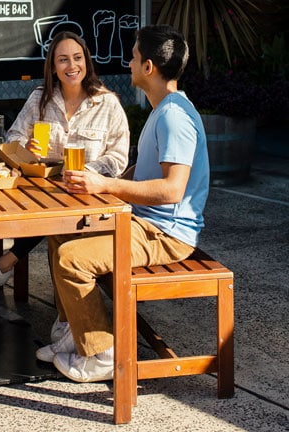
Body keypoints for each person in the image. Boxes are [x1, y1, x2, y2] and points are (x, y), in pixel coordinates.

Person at [36, 24, 209, 383]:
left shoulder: (175, 117)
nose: (128, 63)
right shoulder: (163, 109)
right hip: (145, 223)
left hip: (165, 233)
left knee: (72, 260)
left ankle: (101, 352)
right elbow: (143, 171)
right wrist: (100, 185)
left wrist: (107, 184)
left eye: (133, 57)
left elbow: (173, 190)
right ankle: (74, 334)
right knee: (61, 233)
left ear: (148, 67)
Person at [0, 30, 129, 293]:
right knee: (30, 207)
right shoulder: (40, 98)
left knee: (52, 215)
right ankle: (63, 310)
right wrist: (25, 149)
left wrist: (87, 172)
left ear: (86, 61)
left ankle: (6, 264)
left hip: (89, 194)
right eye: (63, 60)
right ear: (52, 66)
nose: (72, 66)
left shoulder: (107, 104)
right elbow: (13, 137)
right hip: (44, 189)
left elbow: (118, 159)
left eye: (77, 58)